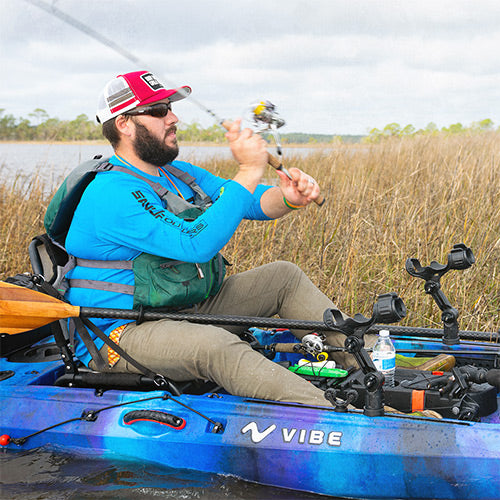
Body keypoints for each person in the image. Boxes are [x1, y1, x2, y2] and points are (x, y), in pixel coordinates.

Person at [64, 70, 372, 406]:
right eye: (158, 110)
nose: (173, 117)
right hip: (120, 333)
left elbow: (246, 201)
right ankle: (339, 413)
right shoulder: (111, 193)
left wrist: (286, 198)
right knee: (216, 346)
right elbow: (194, 244)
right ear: (124, 124)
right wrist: (250, 170)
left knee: (283, 277)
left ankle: (369, 370)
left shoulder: (177, 174)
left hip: (182, 309)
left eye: (169, 106)